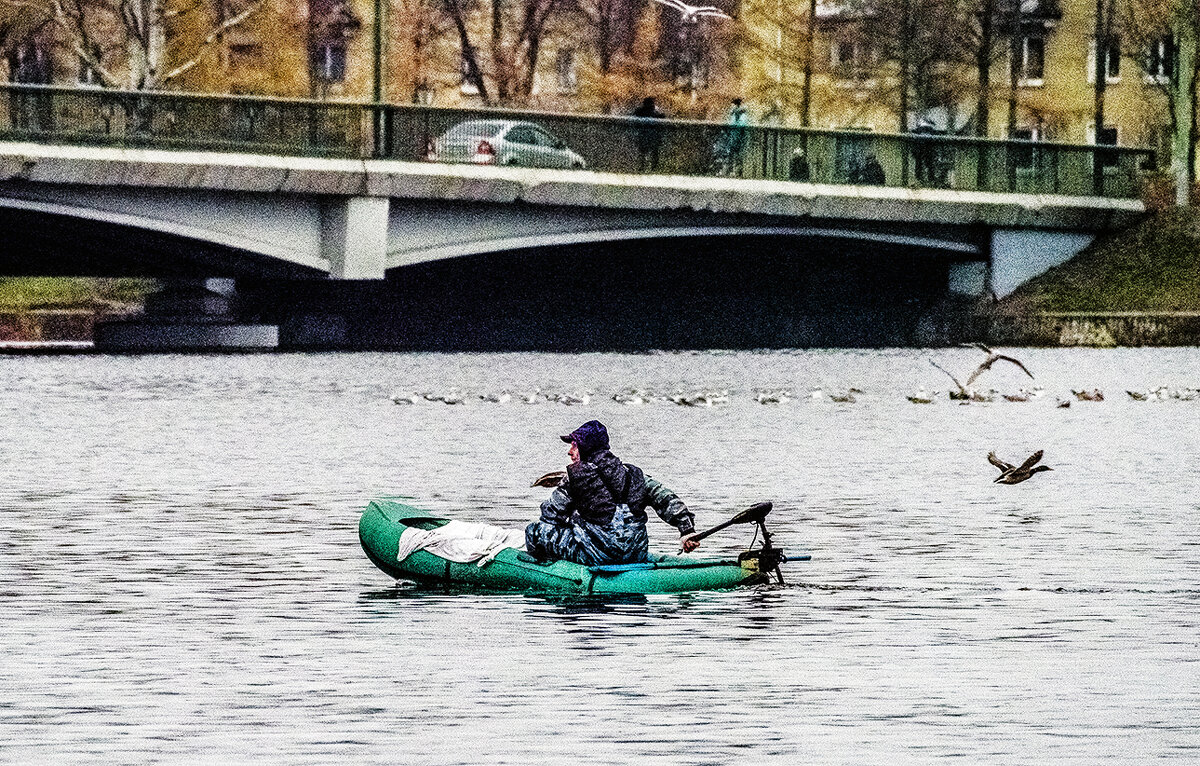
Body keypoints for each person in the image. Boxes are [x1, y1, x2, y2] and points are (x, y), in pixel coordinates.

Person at [525, 420, 700, 566]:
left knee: (534, 530)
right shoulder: (635, 475)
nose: (570, 451)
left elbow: (549, 515)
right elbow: (668, 500)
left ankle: (548, 570)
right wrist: (687, 531)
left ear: (586, 448)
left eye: (574, 445)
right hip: (635, 555)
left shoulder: (574, 478)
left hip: (595, 557)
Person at [716, 97, 750, 176]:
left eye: (733, 105)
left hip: (737, 136)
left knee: (735, 154)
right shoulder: (736, 114)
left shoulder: (740, 114)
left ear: (736, 105)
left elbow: (741, 124)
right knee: (731, 153)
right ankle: (730, 171)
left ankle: (735, 171)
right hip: (733, 135)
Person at [632, 96, 665, 172]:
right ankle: (652, 168)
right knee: (651, 152)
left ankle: (645, 167)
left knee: (646, 152)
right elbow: (662, 119)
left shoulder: (641, 111)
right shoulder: (654, 112)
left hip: (646, 134)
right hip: (651, 134)